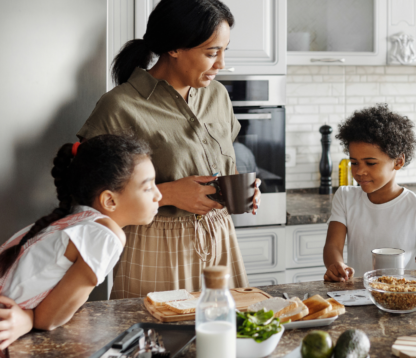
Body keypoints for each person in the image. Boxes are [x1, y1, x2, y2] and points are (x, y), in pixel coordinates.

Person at [77, 0, 261, 298]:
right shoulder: (121, 106)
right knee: (158, 339)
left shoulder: (217, 96)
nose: (221, 64)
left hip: (221, 237)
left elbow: (224, 161)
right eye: (212, 52)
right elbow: (89, 197)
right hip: (155, 244)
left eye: (224, 50)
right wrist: (168, 195)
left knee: (228, 334)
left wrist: (243, 187)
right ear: (174, 48)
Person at [0, 134, 161, 349]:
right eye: (148, 187)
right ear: (110, 200)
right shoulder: (106, 236)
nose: (158, 195)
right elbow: (48, 319)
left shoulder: (73, 220)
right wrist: (29, 319)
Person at [323, 104, 416, 281]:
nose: (359, 171)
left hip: (402, 297)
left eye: (370, 163)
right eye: (354, 162)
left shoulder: (413, 206)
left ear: (398, 161)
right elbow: (332, 246)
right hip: (358, 293)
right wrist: (336, 265)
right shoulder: (345, 196)